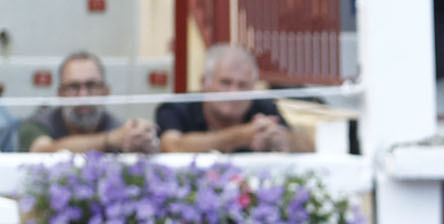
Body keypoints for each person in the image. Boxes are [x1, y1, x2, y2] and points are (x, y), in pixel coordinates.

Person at [156, 44, 301, 154]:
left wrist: (282, 139)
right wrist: (240, 136)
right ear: (204, 82)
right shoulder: (177, 106)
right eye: (225, 83)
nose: (234, 93)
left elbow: (306, 145)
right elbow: (171, 146)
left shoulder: (263, 107)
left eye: (242, 85)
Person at [18, 53, 159, 154]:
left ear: (106, 91)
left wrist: (141, 139)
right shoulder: (36, 125)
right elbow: (44, 150)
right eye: (73, 87)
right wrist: (109, 140)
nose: (83, 95)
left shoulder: (118, 128)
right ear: (60, 93)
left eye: (91, 85)